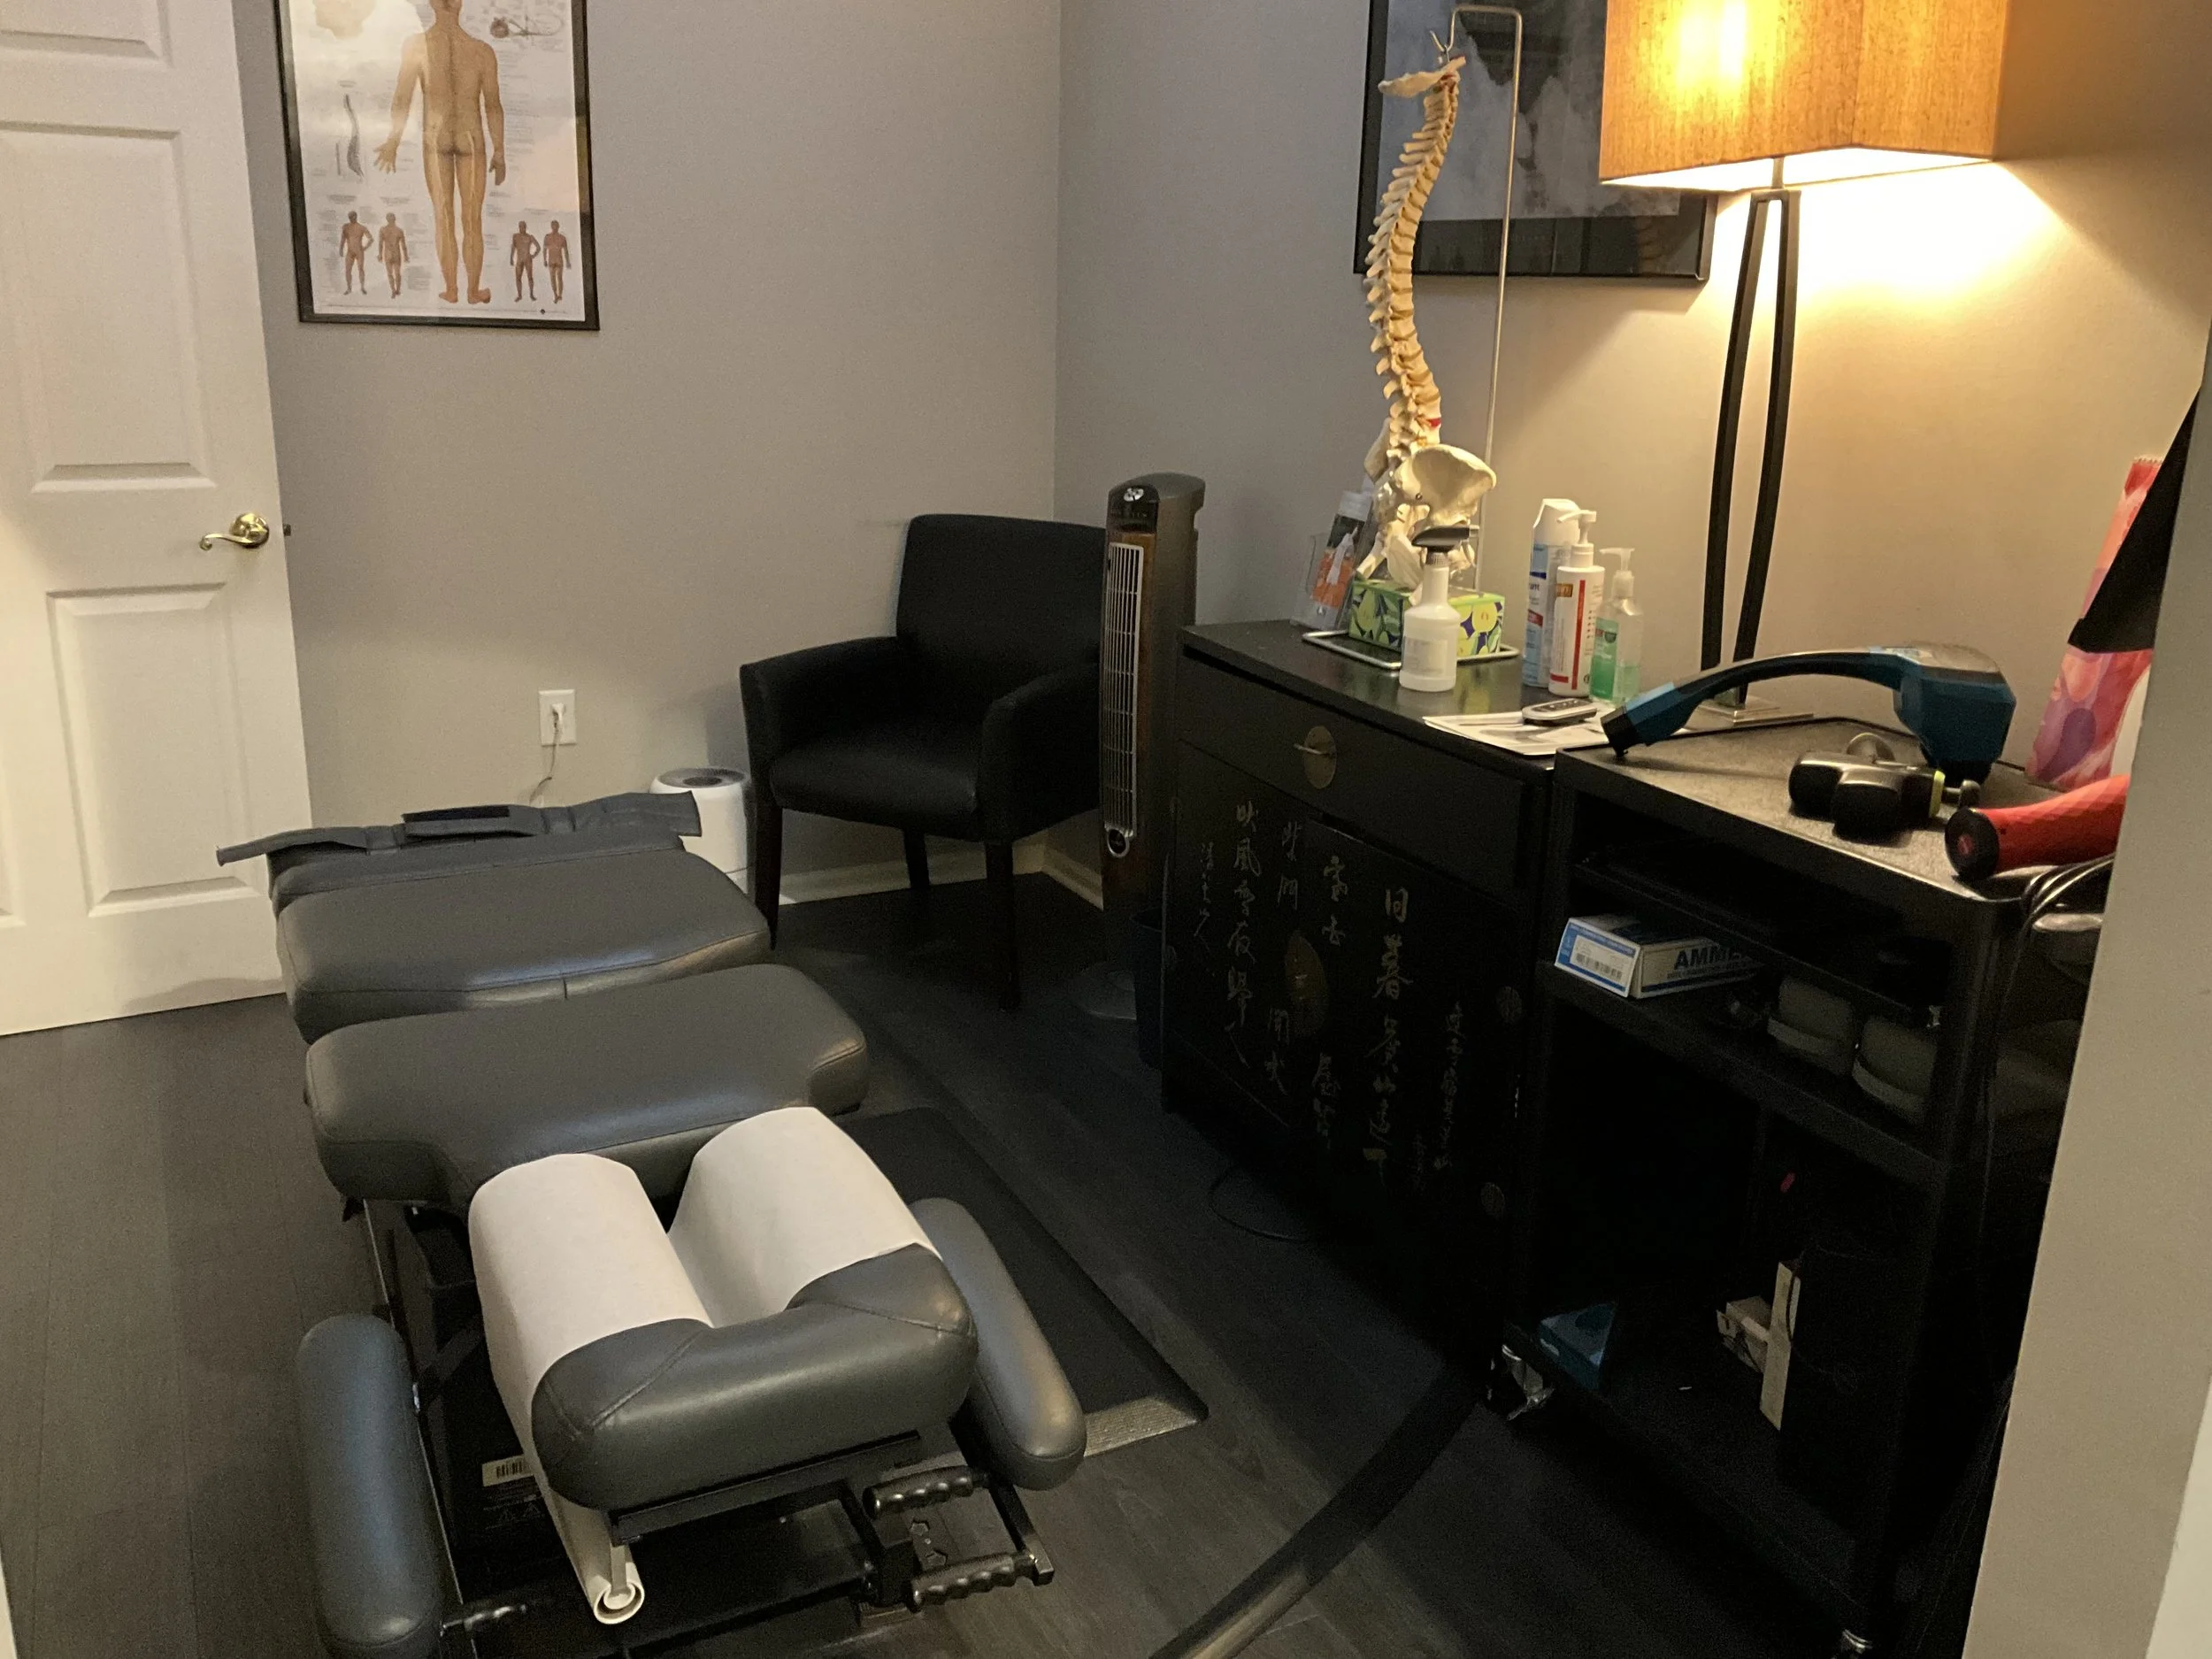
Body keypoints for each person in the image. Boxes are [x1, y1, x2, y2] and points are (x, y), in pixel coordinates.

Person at [375, 0, 503, 305]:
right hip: (471, 139)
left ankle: (452, 290)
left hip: (436, 138)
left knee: (444, 217)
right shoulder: (481, 50)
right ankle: (473, 290)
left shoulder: (417, 46)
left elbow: (402, 97)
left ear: (432, 4)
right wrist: (499, 149)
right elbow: (493, 106)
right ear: (460, 4)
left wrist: (393, 140)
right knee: (472, 220)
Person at [337, 211, 373, 294]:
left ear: (356, 216)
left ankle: (362, 287)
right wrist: (341, 249)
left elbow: (371, 239)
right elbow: (343, 239)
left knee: (360, 269)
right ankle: (349, 288)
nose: (352, 218)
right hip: (350, 251)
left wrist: (365, 247)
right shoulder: (346, 227)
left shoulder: (361, 227)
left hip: (359, 251)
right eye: (350, 217)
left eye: (353, 216)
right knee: (348, 270)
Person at [377, 212, 409, 297]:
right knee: (397, 273)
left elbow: (380, 243)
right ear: (395, 219)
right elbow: (403, 245)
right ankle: (397, 290)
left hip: (388, 253)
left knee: (390, 273)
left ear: (387, 220)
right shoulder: (399, 230)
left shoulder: (383, 230)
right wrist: (406, 256)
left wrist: (380, 254)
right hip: (396, 253)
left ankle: (393, 290)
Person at [511, 219, 539, 302]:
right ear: (519, 227)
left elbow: (538, 247)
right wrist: (511, 258)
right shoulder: (515, 236)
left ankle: (531, 294)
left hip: (527, 259)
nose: (522, 228)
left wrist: (533, 255)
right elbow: (513, 247)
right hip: (519, 260)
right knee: (518, 277)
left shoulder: (530, 237)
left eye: (523, 227)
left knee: (530, 277)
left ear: (525, 227)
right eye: (520, 227)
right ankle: (519, 295)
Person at [541, 219, 569, 303]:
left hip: (559, 260)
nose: (555, 227)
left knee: (559, 278)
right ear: (551, 226)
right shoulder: (547, 237)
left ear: (558, 227)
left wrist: (568, 261)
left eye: (556, 226)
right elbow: (544, 250)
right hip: (551, 260)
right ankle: (555, 295)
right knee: (553, 278)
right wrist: (544, 260)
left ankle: (560, 294)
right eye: (553, 226)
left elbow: (565, 250)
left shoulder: (562, 238)